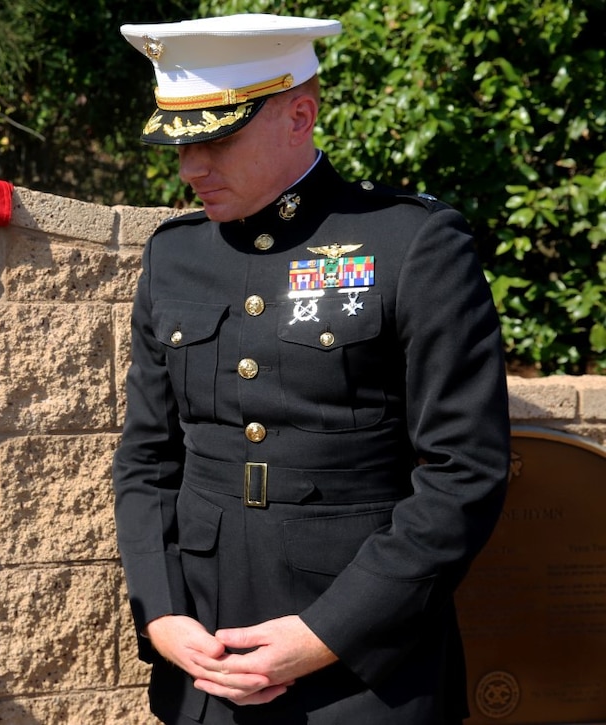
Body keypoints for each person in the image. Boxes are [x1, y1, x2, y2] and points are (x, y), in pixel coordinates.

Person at [112, 13, 510, 724]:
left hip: (366, 669)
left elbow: (464, 472)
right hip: (205, 658)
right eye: (179, 144)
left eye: (216, 138)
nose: (190, 167)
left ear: (301, 113)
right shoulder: (172, 256)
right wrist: (162, 614)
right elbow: (147, 458)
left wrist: (326, 633)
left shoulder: (410, 244)